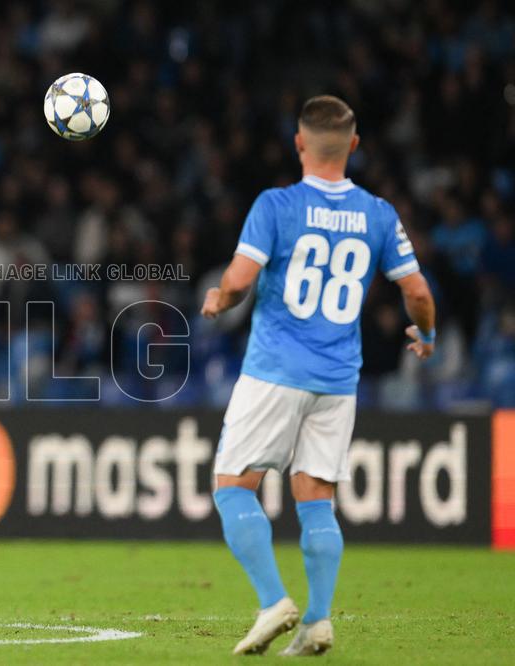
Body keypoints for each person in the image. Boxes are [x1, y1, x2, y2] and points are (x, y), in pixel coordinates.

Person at [201, 95, 436, 656]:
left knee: (232, 487)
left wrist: (218, 300)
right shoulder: (379, 213)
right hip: (338, 379)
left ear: (299, 143)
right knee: (316, 498)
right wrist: (425, 336)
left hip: (276, 370)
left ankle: (272, 601)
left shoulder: (277, 205)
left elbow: (239, 279)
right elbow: (418, 292)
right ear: (353, 145)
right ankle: (318, 621)